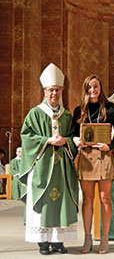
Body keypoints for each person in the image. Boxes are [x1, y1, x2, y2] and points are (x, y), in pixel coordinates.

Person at [19, 63, 79, 255]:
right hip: (41, 167)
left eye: (58, 90)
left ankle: (59, 241)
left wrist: (65, 141)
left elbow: (73, 137)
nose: (54, 93)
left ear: (62, 91)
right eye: (51, 90)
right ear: (44, 91)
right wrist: (47, 140)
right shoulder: (35, 114)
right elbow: (27, 137)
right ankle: (43, 242)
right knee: (45, 200)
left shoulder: (68, 116)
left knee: (61, 201)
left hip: (61, 168)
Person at [72, 74, 114, 254]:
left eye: (95, 87)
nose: (92, 91)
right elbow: (73, 133)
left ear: (101, 88)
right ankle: (87, 238)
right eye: (89, 88)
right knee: (88, 199)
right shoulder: (79, 110)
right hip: (86, 157)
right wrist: (77, 140)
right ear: (85, 89)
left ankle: (105, 238)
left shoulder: (111, 108)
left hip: (105, 156)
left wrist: (110, 145)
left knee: (105, 199)